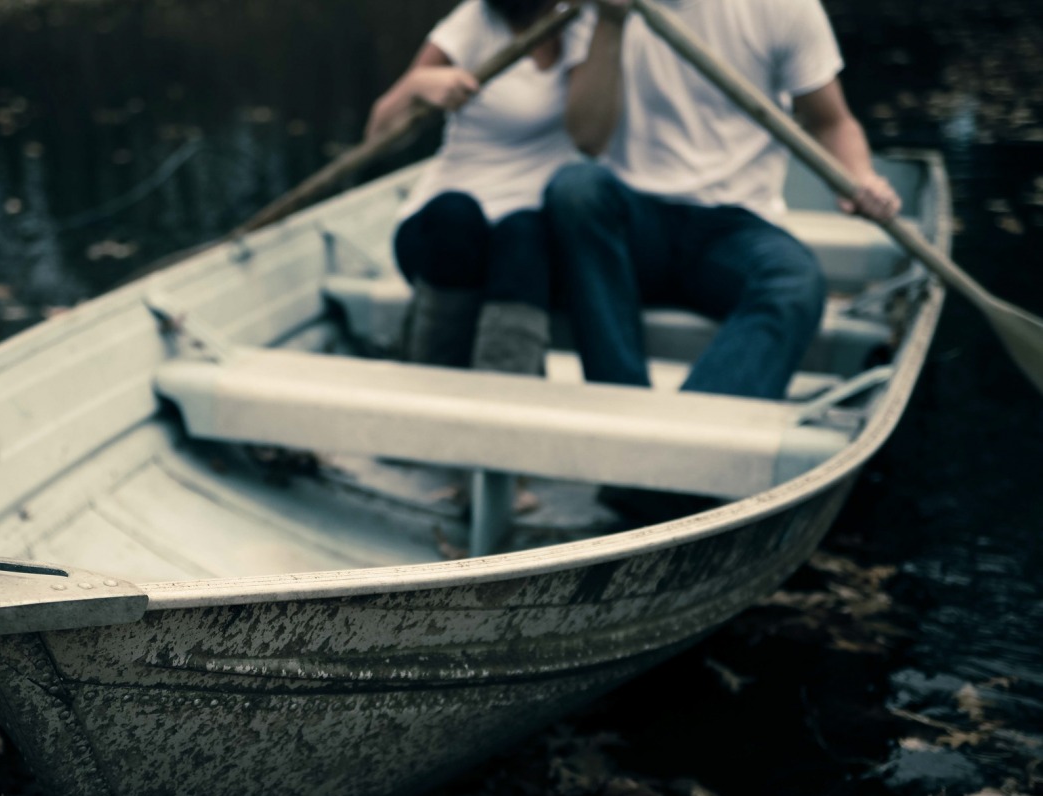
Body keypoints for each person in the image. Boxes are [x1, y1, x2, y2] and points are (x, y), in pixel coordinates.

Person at [546, 0, 901, 521]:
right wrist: (611, 22)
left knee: (794, 281)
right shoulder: (594, 8)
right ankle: (625, 434)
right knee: (574, 190)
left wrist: (860, 176)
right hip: (635, 223)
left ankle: (673, 464)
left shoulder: (784, 8)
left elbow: (831, 121)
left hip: (733, 229)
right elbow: (587, 138)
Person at [365, 0, 597, 375]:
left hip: (529, 245)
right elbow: (376, 136)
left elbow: (594, 134)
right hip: (443, 235)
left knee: (524, 232)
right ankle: (431, 382)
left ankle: (503, 396)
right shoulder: (474, 21)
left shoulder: (585, 24)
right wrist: (417, 86)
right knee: (457, 214)